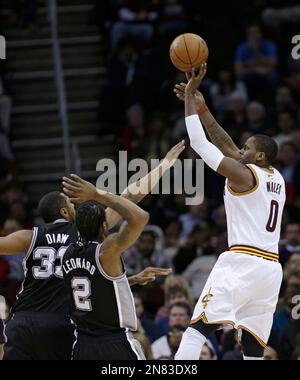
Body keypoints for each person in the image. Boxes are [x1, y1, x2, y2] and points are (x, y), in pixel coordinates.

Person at [0, 141, 184, 360]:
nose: (75, 206)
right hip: (60, 324)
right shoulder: (85, 232)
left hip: (23, 321)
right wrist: (163, 166)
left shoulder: (30, 236)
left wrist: (129, 280)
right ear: (64, 212)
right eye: (70, 204)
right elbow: (130, 197)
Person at [173, 64, 285, 360]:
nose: (240, 150)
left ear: (259, 155)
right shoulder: (276, 178)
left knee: (197, 329)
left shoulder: (245, 176)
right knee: (252, 348)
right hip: (271, 270)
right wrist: (204, 110)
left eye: (246, 147)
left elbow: (200, 144)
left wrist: (189, 96)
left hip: (243, 262)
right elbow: (229, 149)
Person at [61, 178, 150, 360]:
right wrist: (98, 195)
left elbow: (96, 284)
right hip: (115, 343)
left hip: (83, 345)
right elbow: (140, 217)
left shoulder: (67, 252)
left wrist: (129, 280)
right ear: (104, 226)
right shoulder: (106, 252)